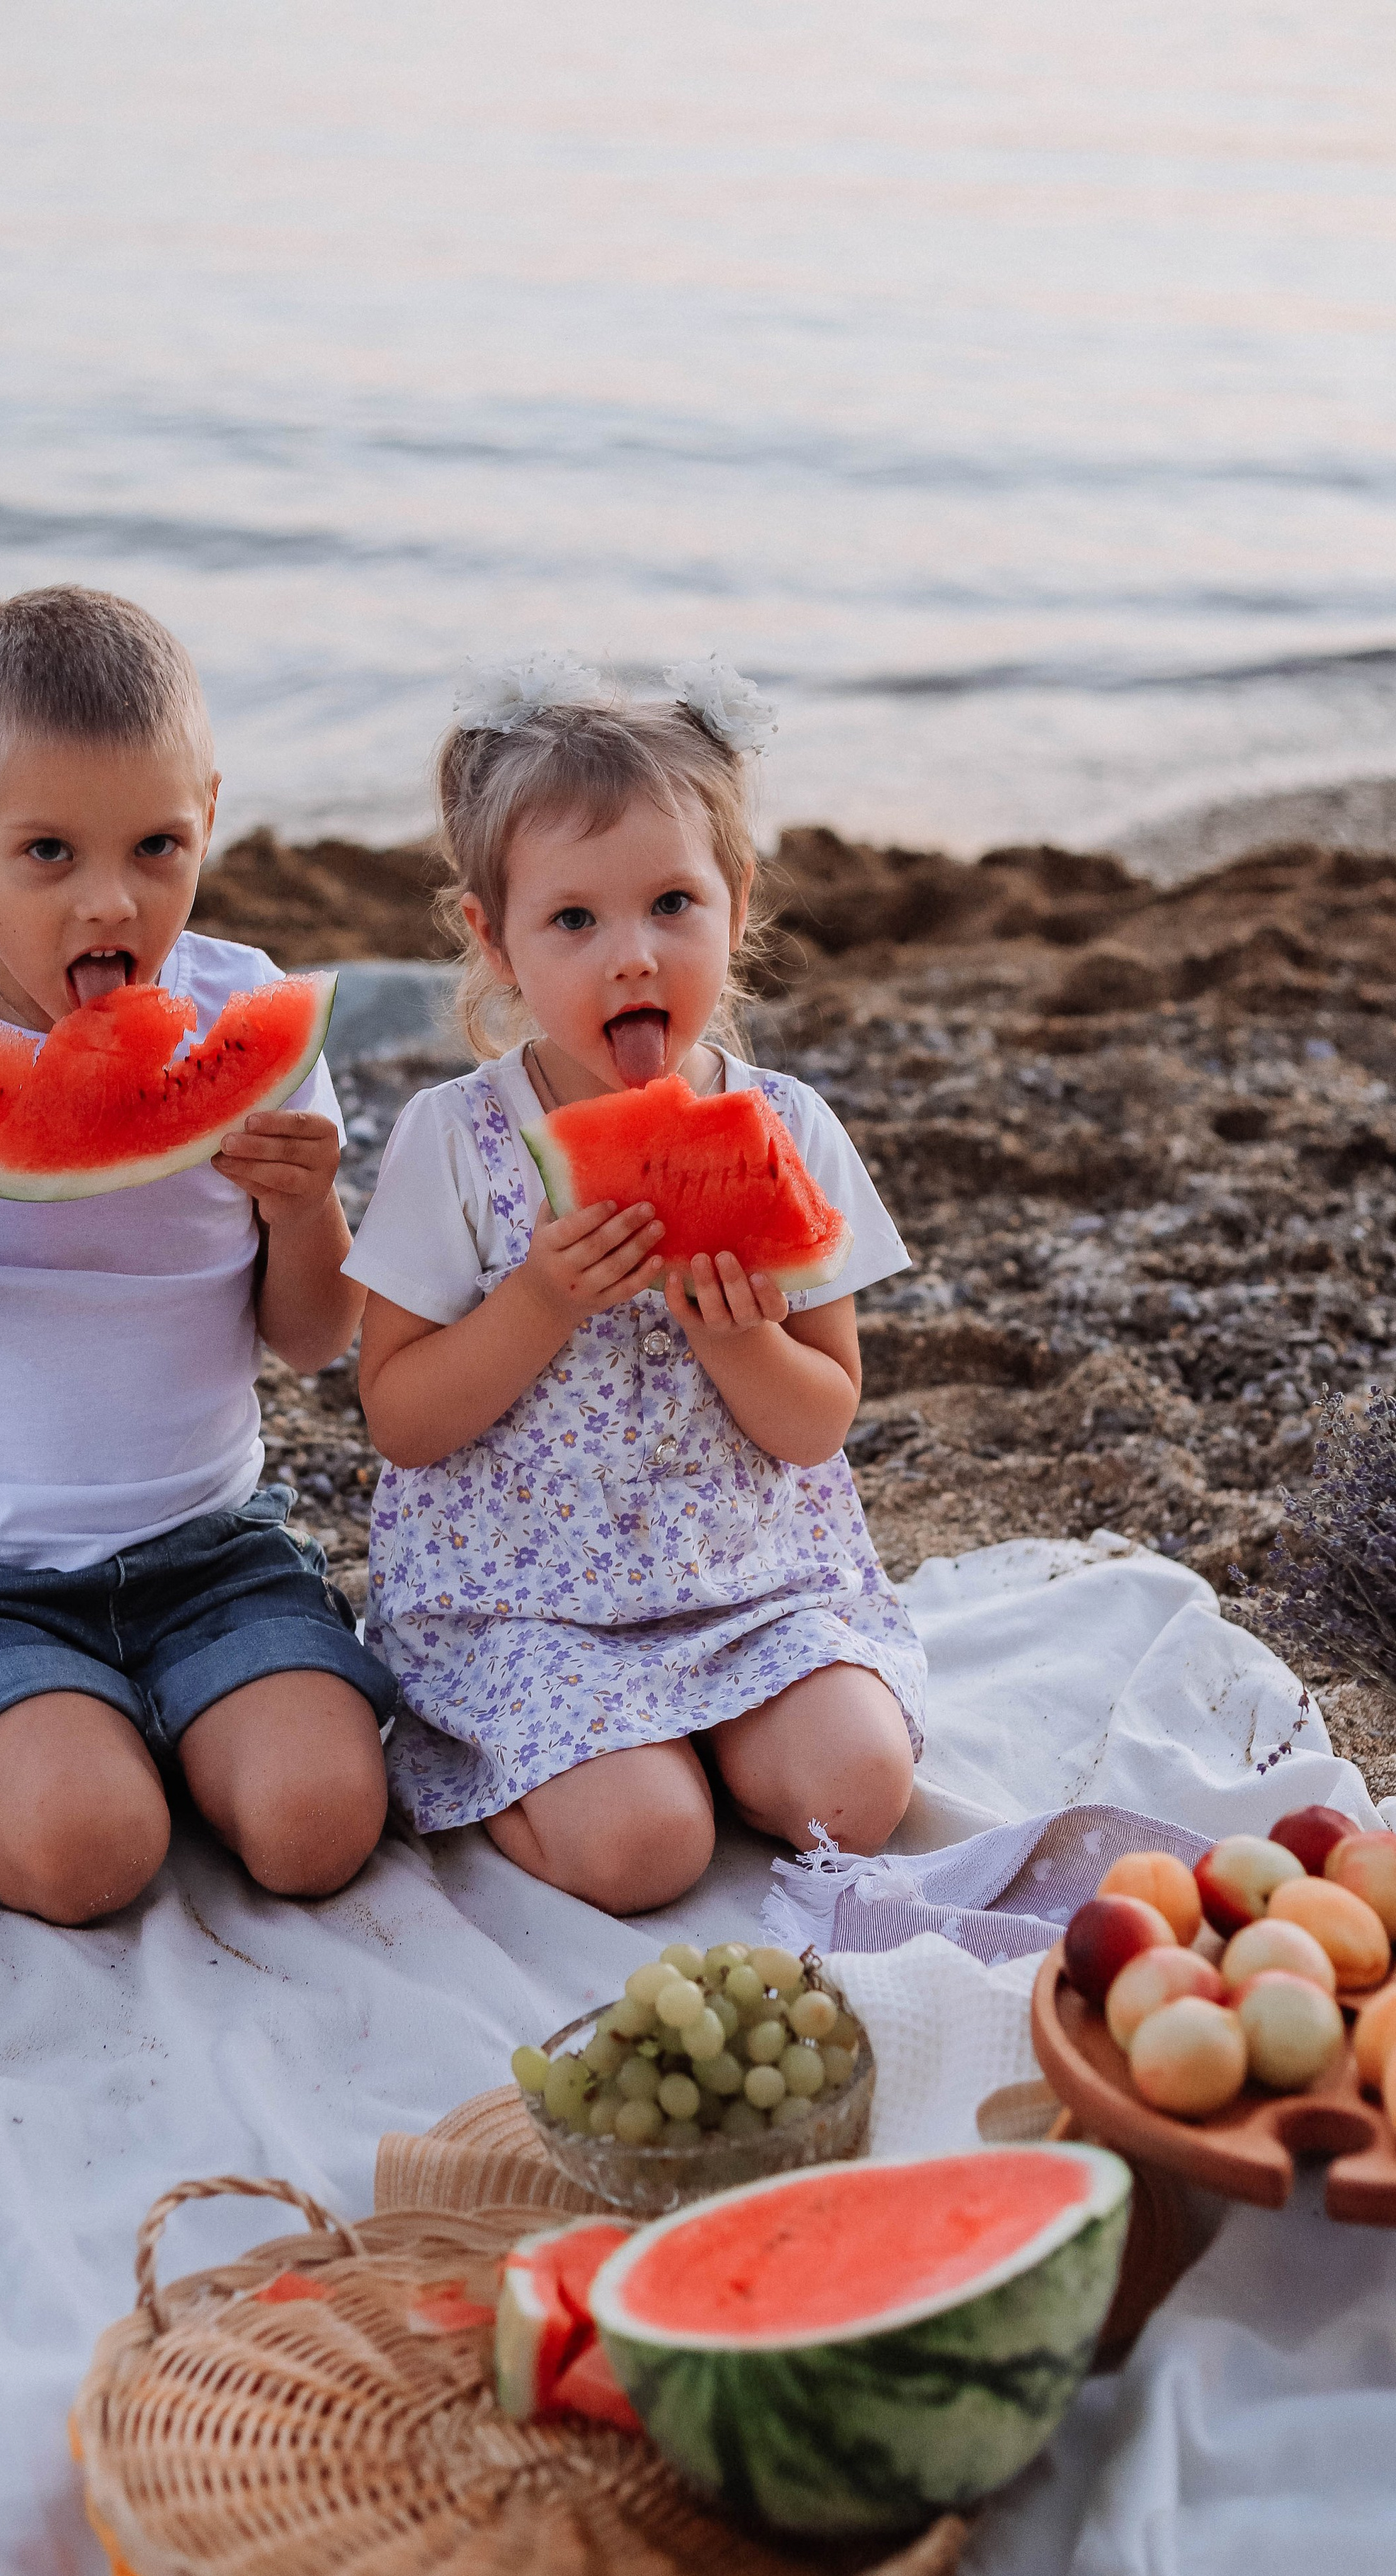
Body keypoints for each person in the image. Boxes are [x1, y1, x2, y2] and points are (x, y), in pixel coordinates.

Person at [0, 587, 395, 1925]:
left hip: (213, 1555)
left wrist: (305, 1212)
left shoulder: (250, 1014)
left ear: (209, 814)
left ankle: (129, 1730)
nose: (114, 900)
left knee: (319, 1829)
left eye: (158, 845)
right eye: (48, 852)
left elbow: (315, 1337)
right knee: (92, 1860)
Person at [345, 654, 924, 1916]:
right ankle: (562, 1776)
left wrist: (736, 1343)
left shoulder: (788, 1128)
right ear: (489, 940)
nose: (634, 959)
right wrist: (538, 1305)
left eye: (673, 903)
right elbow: (399, 1416)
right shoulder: (458, 1140)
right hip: (528, 1606)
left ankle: (700, 1747)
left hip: (752, 1583)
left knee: (860, 1788)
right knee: (641, 1852)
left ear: (738, 900)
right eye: (575, 921)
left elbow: (820, 1419)